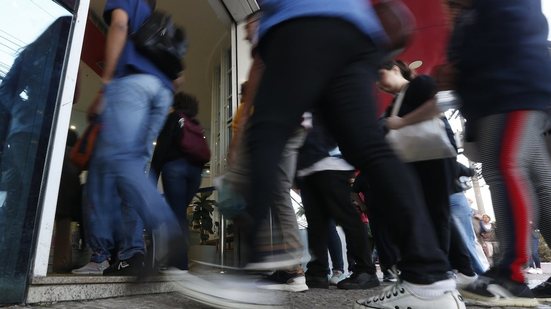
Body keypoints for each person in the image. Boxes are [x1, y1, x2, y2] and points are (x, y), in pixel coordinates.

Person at [239, 1, 465, 308]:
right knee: (369, 147)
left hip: (298, 23)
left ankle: (254, 270)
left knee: (265, 133)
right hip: (356, 32)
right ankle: (430, 279)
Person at [446, 0, 551, 306]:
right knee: (536, 180)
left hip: (513, 85)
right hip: (504, 90)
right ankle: (510, 272)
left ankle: (512, 274)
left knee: (507, 169)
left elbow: (511, 28)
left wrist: (461, 65)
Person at [74, 0, 184, 276]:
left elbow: (120, 24)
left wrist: (108, 83)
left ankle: (162, 230)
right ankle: (130, 254)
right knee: (129, 173)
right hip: (159, 94)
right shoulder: (155, 19)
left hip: (131, 89)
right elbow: (178, 78)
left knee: (104, 175)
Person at [296, 113, 379, 290]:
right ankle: (317, 271)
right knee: (317, 222)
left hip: (331, 161)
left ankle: (365, 269)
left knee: (347, 217)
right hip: (309, 165)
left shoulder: (322, 92)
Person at [150, 92, 205, 272]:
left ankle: (178, 262)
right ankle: (180, 261)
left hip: (175, 169)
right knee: (179, 214)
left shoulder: (173, 118)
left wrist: (153, 175)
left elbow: (163, 146)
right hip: (195, 173)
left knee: (176, 215)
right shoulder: (195, 124)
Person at [449, 162, 490, 275]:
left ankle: (480, 278)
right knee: (466, 241)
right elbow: (468, 171)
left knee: (465, 240)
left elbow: (468, 171)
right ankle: (479, 276)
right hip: (453, 196)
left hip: (451, 196)